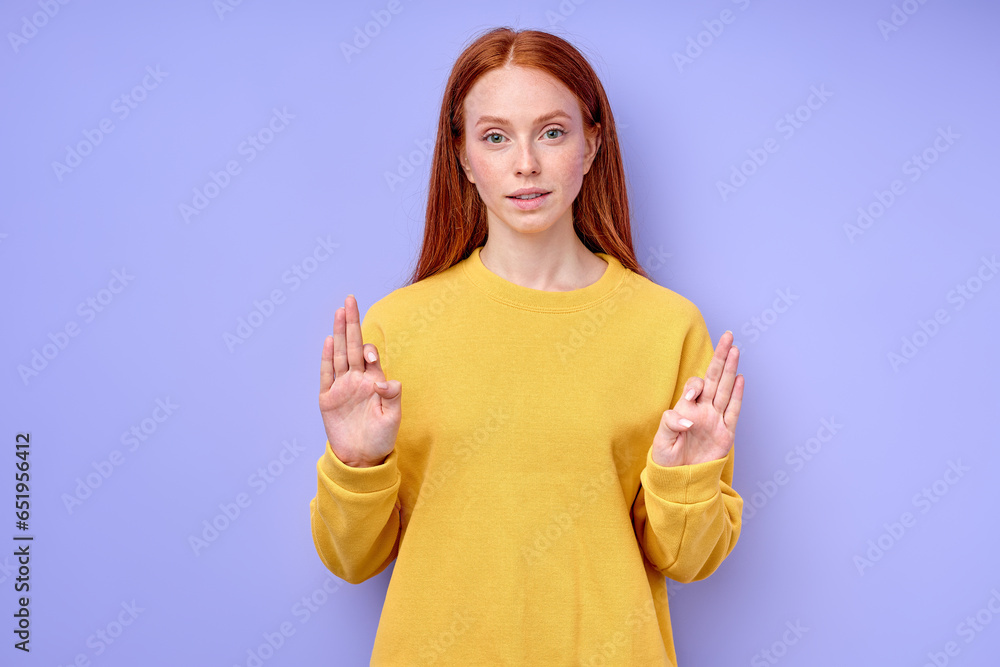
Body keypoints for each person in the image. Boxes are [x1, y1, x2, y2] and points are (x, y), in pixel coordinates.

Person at [310, 26, 745, 666]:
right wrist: (356, 465)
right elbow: (352, 561)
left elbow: (689, 561)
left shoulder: (667, 326)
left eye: (552, 131)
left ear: (592, 143)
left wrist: (689, 482)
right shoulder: (396, 328)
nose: (525, 164)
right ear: (461, 156)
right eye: (494, 136)